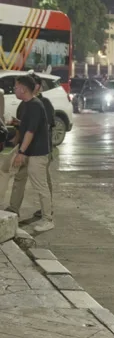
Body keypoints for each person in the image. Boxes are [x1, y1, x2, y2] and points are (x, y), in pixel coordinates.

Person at [6, 75, 53, 232]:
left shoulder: (35, 105)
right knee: (17, 178)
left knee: (40, 186)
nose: (14, 89)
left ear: (24, 89)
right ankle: (13, 209)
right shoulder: (26, 104)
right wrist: (17, 123)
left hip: (37, 153)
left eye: (16, 87)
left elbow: (31, 132)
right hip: (28, 151)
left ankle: (47, 219)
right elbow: (27, 126)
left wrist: (21, 152)